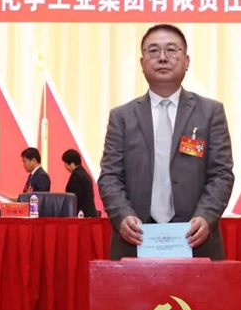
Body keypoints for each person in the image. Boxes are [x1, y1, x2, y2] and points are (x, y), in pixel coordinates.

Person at [98, 24, 234, 259]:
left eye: (171, 50)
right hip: (136, 240)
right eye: (153, 51)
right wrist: (123, 216)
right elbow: (110, 176)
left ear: (186, 61)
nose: (162, 58)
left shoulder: (210, 112)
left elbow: (221, 174)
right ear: (142, 63)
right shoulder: (122, 117)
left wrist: (206, 217)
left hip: (195, 239)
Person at [62, 149, 96, 217]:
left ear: (72, 164)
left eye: (65, 164)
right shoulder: (84, 173)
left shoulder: (76, 176)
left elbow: (73, 196)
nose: (65, 166)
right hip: (90, 213)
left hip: (82, 214)